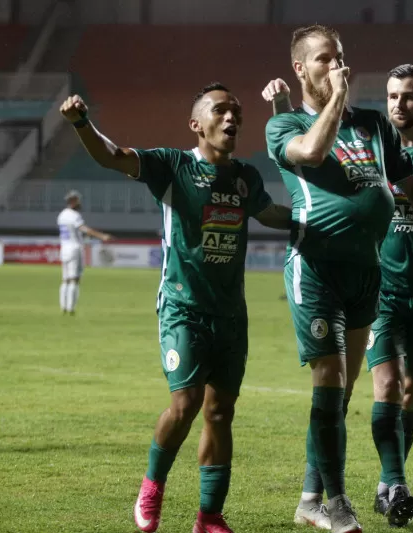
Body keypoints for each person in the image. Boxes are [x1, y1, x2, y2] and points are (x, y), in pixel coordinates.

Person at [263, 63, 413, 527]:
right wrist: (282, 106)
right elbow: (302, 158)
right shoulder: (365, 146)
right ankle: (380, 486)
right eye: (393, 95)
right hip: (378, 289)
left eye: (410, 96)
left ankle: (384, 486)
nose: (399, 103)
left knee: (409, 393)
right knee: (380, 386)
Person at [60, 83, 292, 533]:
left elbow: (270, 214)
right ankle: (153, 484)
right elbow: (113, 156)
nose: (232, 117)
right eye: (220, 110)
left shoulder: (246, 177)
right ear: (196, 124)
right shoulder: (173, 166)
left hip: (231, 314)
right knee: (185, 404)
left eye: (236, 111)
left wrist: (323, 218)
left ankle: (209, 517)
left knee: (220, 413)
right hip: (183, 308)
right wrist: (82, 123)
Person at [57, 190, 113, 315]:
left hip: (64, 248)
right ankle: (70, 308)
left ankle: (63, 307)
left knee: (65, 279)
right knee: (74, 279)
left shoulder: (61, 215)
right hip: (74, 248)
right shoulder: (74, 215)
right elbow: (83, 228)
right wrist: (102, 236)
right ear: (73, 201)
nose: (79, 203)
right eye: (78, 200)